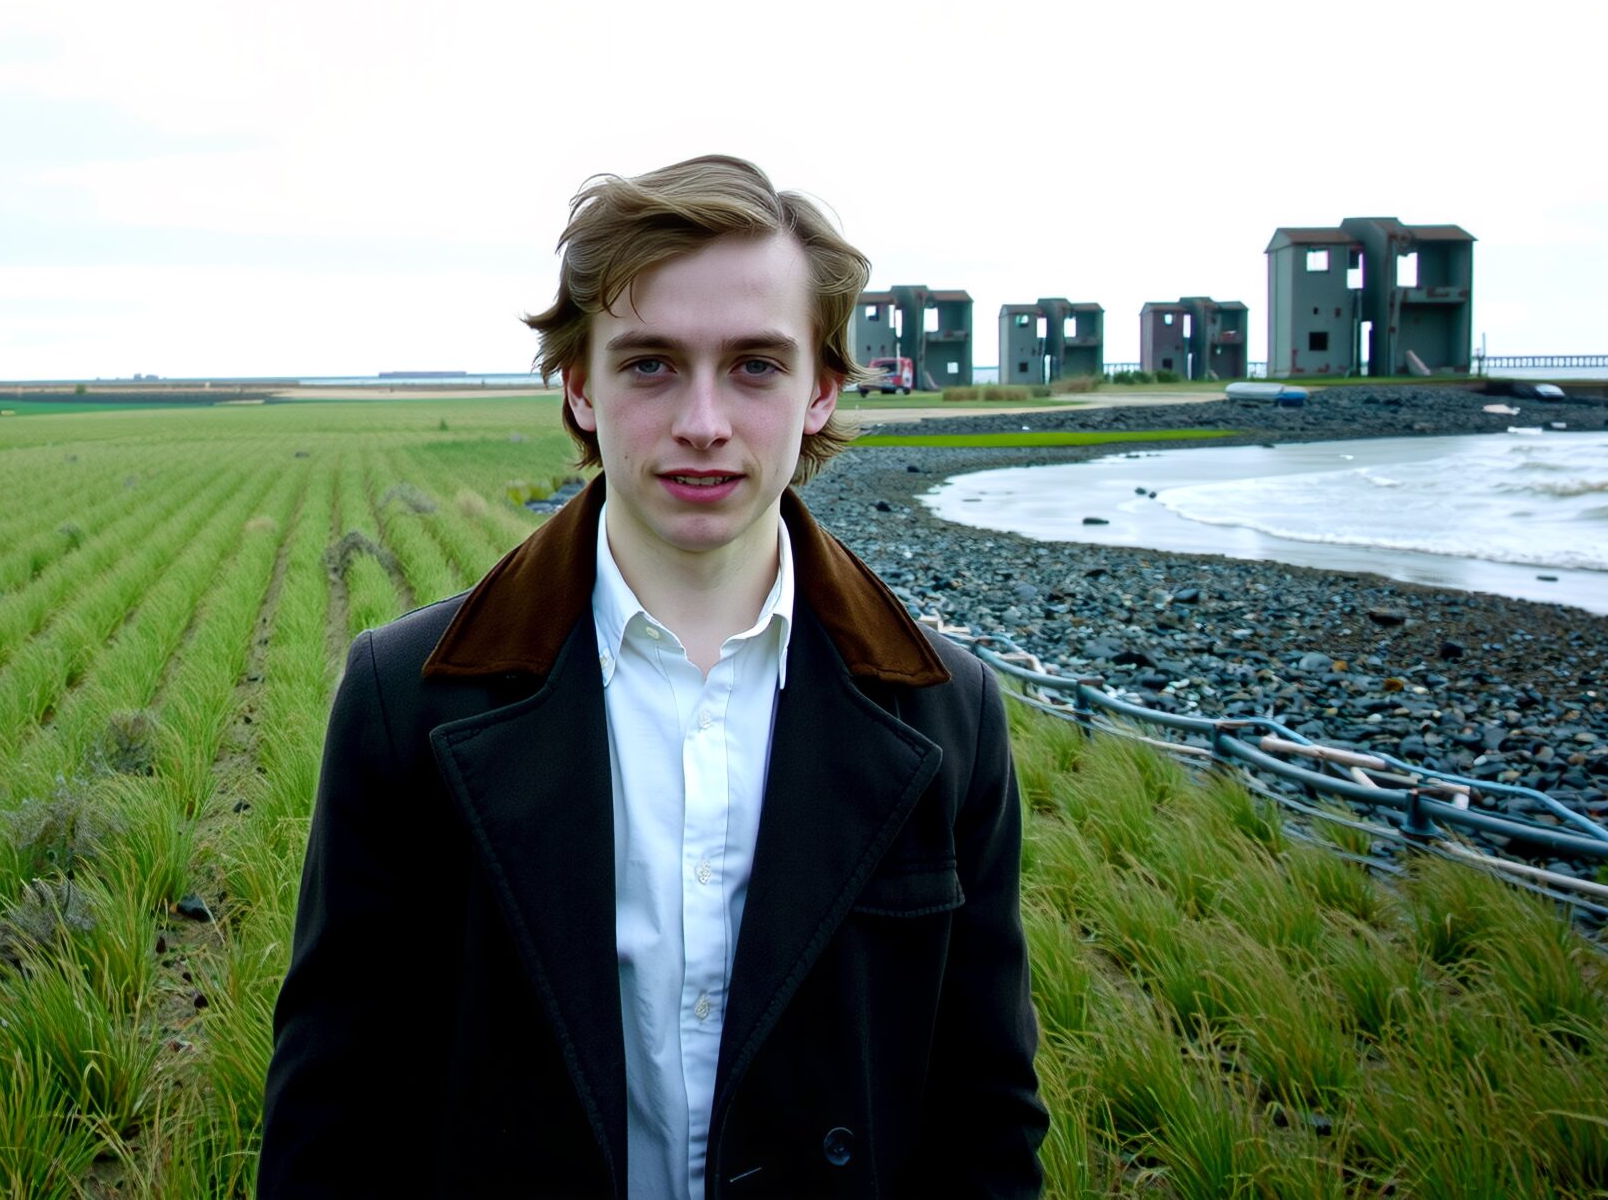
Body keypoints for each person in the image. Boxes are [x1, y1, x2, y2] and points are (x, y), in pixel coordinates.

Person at [261, 155, 1046, 1198]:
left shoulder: (946, 710)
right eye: (651, 364)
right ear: (579, 384)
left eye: (756, 365)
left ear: (821, 389)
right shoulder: (407, 698)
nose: (704, 421)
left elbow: (985, 1118)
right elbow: (332, 1116)